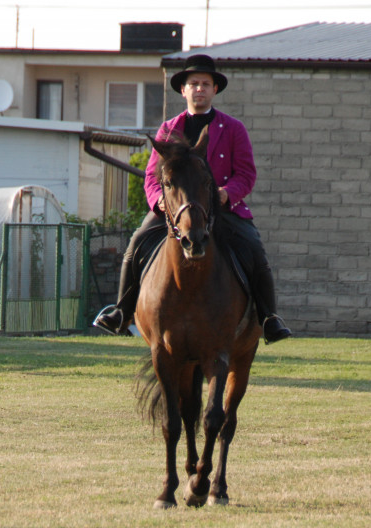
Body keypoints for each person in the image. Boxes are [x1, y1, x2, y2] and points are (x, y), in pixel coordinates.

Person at [93, 54, 292, 344]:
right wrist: (158, 200)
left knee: (255, 250)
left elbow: (247, 173)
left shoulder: (234, 128)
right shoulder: (168, 130)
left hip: (222, 209)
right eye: (194, 84)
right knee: (135, 243)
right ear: (183, 90)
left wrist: (227, 193)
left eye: (205, 84)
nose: (199, 89)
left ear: (214, 90)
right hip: (175, 209)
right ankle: (121, 312)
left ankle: (268, 318)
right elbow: (152, 175)